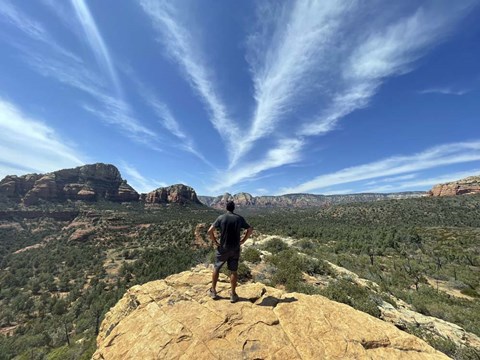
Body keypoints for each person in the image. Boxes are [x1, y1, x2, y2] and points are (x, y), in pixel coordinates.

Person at [208, 200, 253, 303]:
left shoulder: (221, 218)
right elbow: (250, 229)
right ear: (234, 208)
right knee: (233, 271)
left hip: (223, 248)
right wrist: (243, 241)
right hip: (235, 248)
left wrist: (215, 241)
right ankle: (233, 294)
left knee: (216, 268)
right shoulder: (239, 218)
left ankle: (213, 291)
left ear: (226, 207)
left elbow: (210, 231)